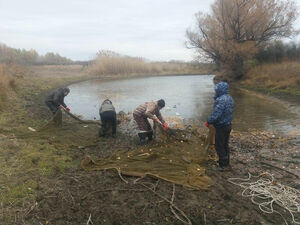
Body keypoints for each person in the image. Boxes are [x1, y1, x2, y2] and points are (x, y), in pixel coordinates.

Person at [205, 81, 234, 170]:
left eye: (216, 90)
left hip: (221, 126)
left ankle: (223, 165)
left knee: (219, 145)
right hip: (228, 125)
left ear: (220, 90)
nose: (215, 91)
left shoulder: (221, 100)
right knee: (225, 144)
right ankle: (226, 161)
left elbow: (216, 114)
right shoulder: (230, 98)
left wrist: (209, 121)